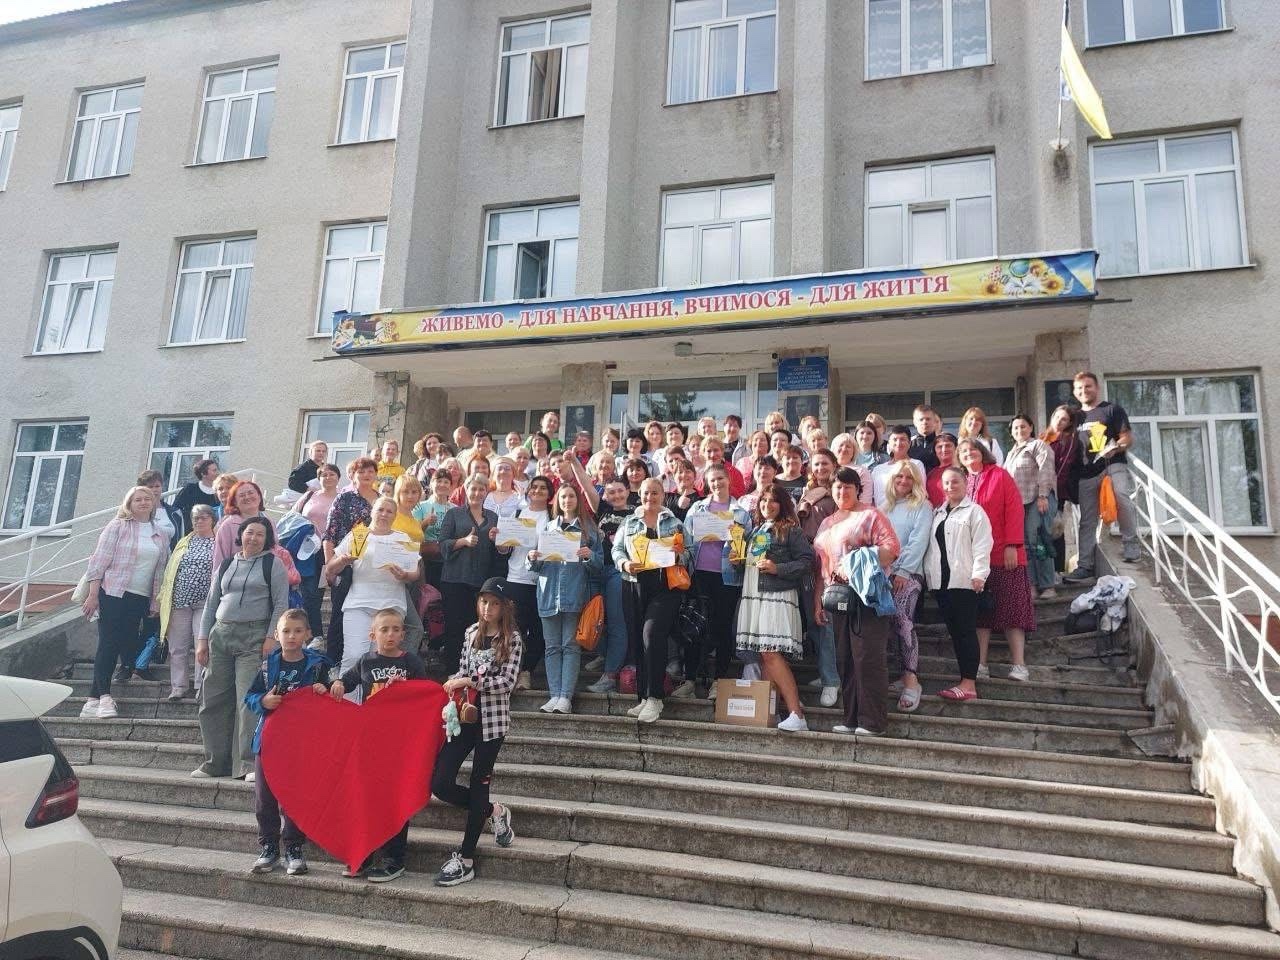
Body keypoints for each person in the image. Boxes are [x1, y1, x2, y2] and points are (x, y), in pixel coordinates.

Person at [432, 578, 521, 887]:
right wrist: (455, 681)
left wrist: (471, 681)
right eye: (484, 601)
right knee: (440, 782)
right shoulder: (471, 633)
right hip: (464, 717)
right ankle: (494, 811)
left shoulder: (512, 639)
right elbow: (462, 668)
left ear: (504, 607)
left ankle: (466, 858)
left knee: (479, 783)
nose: (488, 608)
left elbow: (507, 682)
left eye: (494, 603)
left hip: (492, 723)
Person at [328, 607, 427, 883]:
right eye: (384, 629)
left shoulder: (411, 662)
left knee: (395, 800)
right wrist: (336, 684)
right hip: (370, 744)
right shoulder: (365, 661)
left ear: (403, 634)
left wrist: (405, 689)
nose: (390, 634)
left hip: (399, 745)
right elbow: (345, 683)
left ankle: (394, 858)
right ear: (373, 635)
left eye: (396, 629)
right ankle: (363, 853)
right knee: (365, 799)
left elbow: (425, 697)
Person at [195, 516, 288, 780]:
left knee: (247, 699)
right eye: (249, 532)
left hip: (254, 636)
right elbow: (211, 604)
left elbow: (281, 604)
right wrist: (202, 639)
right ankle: (215, 762)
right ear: (241, 535)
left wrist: (271, 637)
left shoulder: (273, 564)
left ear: (266, 539)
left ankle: (248, 764)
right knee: (212, 699)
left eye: (260, 534)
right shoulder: (226, 564)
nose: (253, 538)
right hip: (221, 635)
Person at [813, 467, 900, 736]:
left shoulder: (871, 515)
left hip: (868, 596)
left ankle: (873, 722)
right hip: (837, 596)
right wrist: (818, 601)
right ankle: (851, 718)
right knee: (845, 659)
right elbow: (821, 566)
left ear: (857, 489)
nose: (842, 491)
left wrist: (854, 562)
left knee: (868, 658)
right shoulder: (827, 523)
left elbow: (891, 549)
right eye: (837, 487)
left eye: (848, 486)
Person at [244, 608, 330, 876]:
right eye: (286, 631)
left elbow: (329, 697)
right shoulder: (267, 666)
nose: (291, 636)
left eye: (297, 631)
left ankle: (294, 847)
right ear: (277, 634)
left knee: (295, 797)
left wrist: (324, 689)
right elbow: (250, 696)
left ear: (308, 634)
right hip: (268, 741)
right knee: (264, 798)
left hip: (300, 743)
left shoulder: (317, 666)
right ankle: (269, 847)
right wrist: (263, 701)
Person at [79, 486, 171, 719]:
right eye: (137, 499)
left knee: (126, 643)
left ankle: (91, 700)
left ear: (153, 503)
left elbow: (161, 570)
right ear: (129, 504)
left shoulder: (160, 533)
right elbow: (98, 561)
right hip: (112, 592)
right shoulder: (118, 526)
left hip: (140, 597)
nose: (143, 502)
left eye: (147, 499)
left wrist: (156, 601)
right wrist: (92, 595)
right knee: (108, 643)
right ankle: (105, 697)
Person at [613, 477, 692, 724]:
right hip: (634, 585)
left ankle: (656, 697)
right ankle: (644, 697)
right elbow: (617, 550)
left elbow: (690, 553)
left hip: (665, 587)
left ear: (663, 495)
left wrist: (679, 556)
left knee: (652, 634)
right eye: (646, 493)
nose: (650, 497)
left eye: (655, 493)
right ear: (640, 496)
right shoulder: (629, 522)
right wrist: (625, 563)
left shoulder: (675, 523)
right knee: (638, 640)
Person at [736, 486, 814, 732]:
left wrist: (778, 568)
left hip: (776, 596)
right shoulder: (755, 531)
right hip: (755, 596)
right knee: (766, 656)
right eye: (764, 500)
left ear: (783, 505)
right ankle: (771, 714)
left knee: (770, 653)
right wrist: (737, 560)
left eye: (773, 501)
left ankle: (797, 714)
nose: (767, 505)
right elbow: (750, 565)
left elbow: (807, 561)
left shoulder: (790, 529)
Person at [322, 496, 421, 685]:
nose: (384, 514)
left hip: (391, 605)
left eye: (389, 511)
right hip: (358, 603)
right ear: (372, 512)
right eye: (380, 509)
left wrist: (405, 575)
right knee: (353, 656)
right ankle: (347, 700)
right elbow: (330, 569)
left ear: (395, 515)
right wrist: (343, 560)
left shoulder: (402, 538)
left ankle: (376, 701)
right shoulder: (358, 535)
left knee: (380, 660)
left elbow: (415, 572)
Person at [958, 439, 1032, 681]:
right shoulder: (961, 481)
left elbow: (1014, 509)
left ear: (983, 452)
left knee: (1012, 609)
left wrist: (1013, 544)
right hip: (974, 560)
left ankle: (1019, 665)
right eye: (964, 451)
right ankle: (980, 664)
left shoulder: (1000, 475)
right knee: (981, 614)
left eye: (973, 449)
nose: (969, 453)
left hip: (1004, 553)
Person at [527, 484, 602, 713]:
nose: (567, 500)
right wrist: (532, 557)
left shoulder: (588, 529)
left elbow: (599, 565)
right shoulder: (548, 528)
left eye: (571, 496)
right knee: (551, 647)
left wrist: (590, 556)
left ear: (577, 500)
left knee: (570, 647)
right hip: (548, 593)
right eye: (563, 497)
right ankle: (554, 695)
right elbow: (535, 567)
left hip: (573, 594)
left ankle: (565, 697)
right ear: (557, 501)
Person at [924, 466, 994, 702]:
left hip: (965, 582)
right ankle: (964, 680)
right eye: (946, 483)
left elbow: (982, 545)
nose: (950, 486)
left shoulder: (975, 512)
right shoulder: (938, 513)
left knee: (965, 632)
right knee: (955, 633)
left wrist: (979, 575)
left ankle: (969, 684)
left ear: (965, 484)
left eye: (955, 481)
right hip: (942, 584)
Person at [1066, 370, 1141, 578]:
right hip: (1085, 473)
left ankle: (1131, 544)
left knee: (1121, 496)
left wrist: (1116, 446)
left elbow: (1127, 437)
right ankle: (1084, 565)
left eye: (1088, 386)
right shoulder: (1075, 417)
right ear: (1075, 392)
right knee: (1087, 520)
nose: (1084, 390)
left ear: (1097, 388)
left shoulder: (1111, 410)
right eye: (1079, 388)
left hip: (1111, 465)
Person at [685, 464, 751, 689]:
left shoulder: (741, 512)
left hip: (727, 577)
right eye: (712, 480)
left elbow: (746, 545)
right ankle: (690, 678)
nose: (716, 483)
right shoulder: (697, 508)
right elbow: (686, 540)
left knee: (722, 628)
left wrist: (738, 552)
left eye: (720, 479)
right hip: (699, 575)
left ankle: (718, 681)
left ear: (728, 480)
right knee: (695, 626)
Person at [881, 461, 932, 713]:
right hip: (884, 576)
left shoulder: (922, 506)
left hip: (908, 574)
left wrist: (902, 570)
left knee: (903, 621)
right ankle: (901, 675)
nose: (903, 481)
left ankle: (912, 680)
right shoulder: (884, 507)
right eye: (899, 476)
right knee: (889, 625)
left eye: (909, 477)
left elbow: (918, 540)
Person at [321, 457, 379, 667]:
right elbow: (330, 533)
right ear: (353, 475)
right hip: (346, 565)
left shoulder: (382, 500)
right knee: (339, 615)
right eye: (361, 471)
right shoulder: (344, 498)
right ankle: (333, 666)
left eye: (370, 471)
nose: (366, 475)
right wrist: (330, 565)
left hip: (372, 568)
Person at [495, 474, 550, 691]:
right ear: (528, 491)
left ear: (549, 493)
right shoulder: (517, 514)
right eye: (534, 487)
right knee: (515, 628)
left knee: (538, 630)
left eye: (543, 488)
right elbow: (504, 550)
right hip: (517, 577)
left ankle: (527, 671)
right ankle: (511, 671)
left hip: (543, 581)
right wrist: (499, 542)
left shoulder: (553, 516)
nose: (537, 491)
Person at [795, 449, 840, 708]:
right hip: (806, 560)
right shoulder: (806, 492)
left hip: (828, 562)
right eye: (816, 464)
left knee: (825, 622)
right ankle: (825, 672)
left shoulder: (837, 491)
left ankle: (831, 680)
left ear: (833, 465)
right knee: (813, 622)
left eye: (825, 463)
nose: (821, 468)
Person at [157, 504, 216, 701]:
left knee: (202, 644)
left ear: (212, 520)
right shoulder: (184, 542)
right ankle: (178, 686)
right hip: (179, 601)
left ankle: (200, 685)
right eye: (195, 518)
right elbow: (170, 570)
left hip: (205, 603)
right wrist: (162, 597)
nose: (199, 521)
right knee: (177, 647)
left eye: (204, 517)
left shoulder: (218, 541)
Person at [438, 477, 499, 665]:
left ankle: (473, 669)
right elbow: (442, 544)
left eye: (481, 489)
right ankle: (452, 669)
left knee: (477, 627)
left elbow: (498, 551)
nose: (477, 493)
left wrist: (496, 540)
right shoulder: (454, 514)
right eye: (473, 489)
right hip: (455, 579)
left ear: (486, 492)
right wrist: (462, 541)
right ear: (466, 489)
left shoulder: (493, 517)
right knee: (455, 627)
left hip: (481, 581)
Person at [1005, 414, 1059, 599]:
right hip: (1020, 504)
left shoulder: (1038, 445)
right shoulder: (1011, 453)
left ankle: (1048, 585)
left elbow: (1046, 470)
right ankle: (1032, 585)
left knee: (1039, 541)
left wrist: (1043, 495)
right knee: (1026, 545)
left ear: (1031, 427)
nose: (1019, 430)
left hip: (1039, 499)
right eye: (1015, 428)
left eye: (1023, 426)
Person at [588, 480, 631, 694]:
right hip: (596, 569)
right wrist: (574, 463)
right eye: (611, 492)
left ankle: (610, 675)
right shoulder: (603, 511)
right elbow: (586, 487)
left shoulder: (635, 514)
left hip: (618, 572)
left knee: (616, 623)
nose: (616, 495)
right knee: (592, 619)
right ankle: (606, 656)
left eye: (620, 491)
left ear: (628, 492)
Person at [290, 462, 340, 639]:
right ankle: (316, 636)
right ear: (318, 479)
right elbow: (293, 518)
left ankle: (329, 637)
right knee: (310, 594)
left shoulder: (343, 498)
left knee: (328, 595)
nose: (328, 477)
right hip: (308, 551)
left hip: (333, 552)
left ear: (338, 478)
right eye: (324, 475)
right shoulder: (309, 496)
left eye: (332, 474)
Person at [1043, 405, 1082, 574]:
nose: (1059, 421)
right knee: (1043, 531)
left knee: (1055, 531)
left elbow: (1062, 470)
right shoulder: (1043, 437)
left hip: (1055, 492)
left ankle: (1057, 570)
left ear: (1069, 423)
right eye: (1057, 417)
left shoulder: (1068, 441)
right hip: (1039, 492)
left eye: (1064, 419)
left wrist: (1049, 492)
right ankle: (1046, 571)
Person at [212, 479, 272, 570]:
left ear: (259, 496)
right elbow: (219, 560)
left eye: (251, 493)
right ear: (235, 502)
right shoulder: (227, 526)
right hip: (236, 576)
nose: (247, 497)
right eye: (242, 495)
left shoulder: (270, 522)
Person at [870, 426, 926, 507]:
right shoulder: (878, 469)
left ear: (909, 443)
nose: (899, 443)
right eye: (895, 439)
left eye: (902, 439)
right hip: (880, 513)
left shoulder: (916, 464)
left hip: (908, 512)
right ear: (889, 443)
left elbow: (921, 492)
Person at [172, 458, 222, 531]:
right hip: (193, 531)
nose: (218, 473)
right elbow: (175, 509)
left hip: (217, 532)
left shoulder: (221, 490)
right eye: (214, 470)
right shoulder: (190, 489)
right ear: (203, 474)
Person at [137, 469, 182, 547]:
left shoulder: (175, 513)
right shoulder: (133, 512)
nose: (154, 490)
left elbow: (180, 541)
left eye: (157, 486)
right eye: (150, 487)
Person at [925, 433, 959, 508]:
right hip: (934, 513)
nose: (944, 449)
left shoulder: (961, 470)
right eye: (940, 447)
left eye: (948, 446)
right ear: (935, 450)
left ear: (956, 448)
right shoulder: (931, 473)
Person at [909, 404, 941, 473]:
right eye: (921, 419)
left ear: (935, 421)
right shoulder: (908, 445)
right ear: (915, 422)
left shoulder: (942, 444)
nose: (925, 422)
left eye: (928, 419)